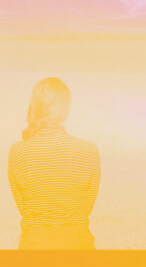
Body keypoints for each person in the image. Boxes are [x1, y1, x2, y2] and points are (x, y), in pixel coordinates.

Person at [8, 77, 101, 250]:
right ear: (66, 110)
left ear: (35, 107)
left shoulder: (17, 152)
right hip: (78, 249)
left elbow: (24, 207)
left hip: (33, 249)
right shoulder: (89, 151)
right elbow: (86, 208)